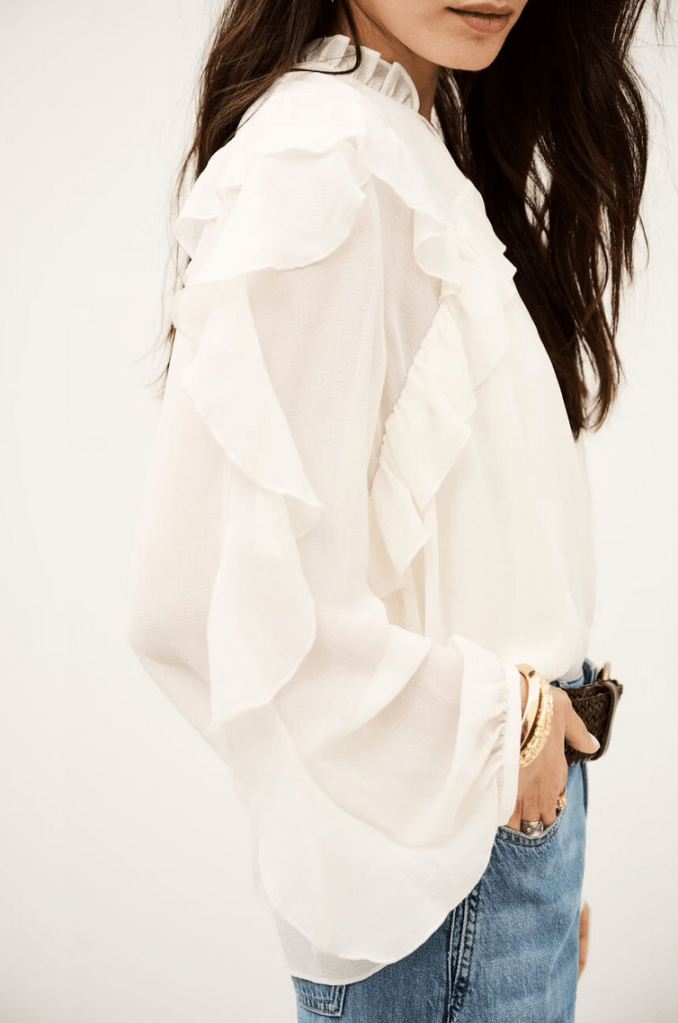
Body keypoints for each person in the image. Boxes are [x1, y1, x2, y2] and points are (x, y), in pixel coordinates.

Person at [126, 0, 664, 1019]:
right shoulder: (324, 157)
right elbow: (193, 603)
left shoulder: (395, 145)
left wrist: (539, 855)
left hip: (487, 867)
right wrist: (508, 741)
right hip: (459, 883)